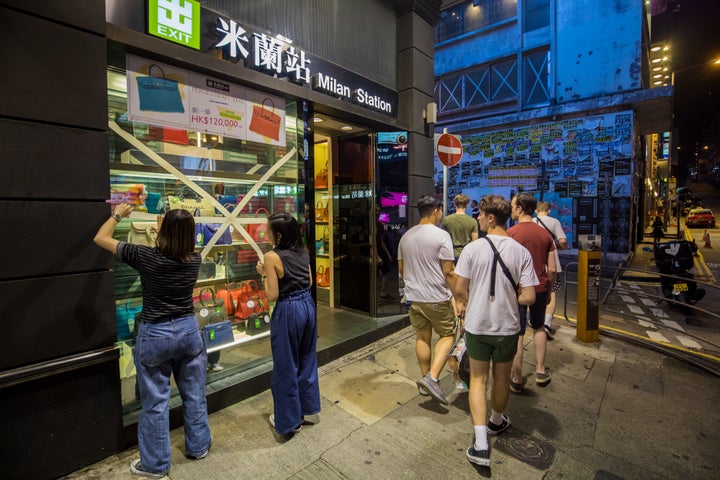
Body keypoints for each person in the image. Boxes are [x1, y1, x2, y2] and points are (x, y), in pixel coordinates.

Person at [94, 204, 211, 479]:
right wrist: (167, 226)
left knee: (155, 403)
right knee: (194, 395)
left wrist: (118, 213)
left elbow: (100, 238)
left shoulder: (144, 256)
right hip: (188, 331)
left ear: (163, 230)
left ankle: (156, 465)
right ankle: (199, 447)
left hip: (155, 333)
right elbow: (175, 245)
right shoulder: (195, 259)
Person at [454, 194, 538, 466]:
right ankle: (496, 421)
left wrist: (466, 302)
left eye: (480, 214)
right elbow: (529, 297)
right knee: (502, 379)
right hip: (508, 327)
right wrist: (507, 298)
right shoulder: (520, 252)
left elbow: (459, 289)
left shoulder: (472, 249)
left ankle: (480, 445)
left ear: (491, 218)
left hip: (478, 325)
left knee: (478, 380)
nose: (477, 218)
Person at [256, 212, 320, 436]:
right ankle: (304, 409)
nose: (265, 233)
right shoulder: (304, 251)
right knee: (306, 360)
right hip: (307, 306)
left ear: (279, 234)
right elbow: (310, 281)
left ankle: (288, 421)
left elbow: (272, 295)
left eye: (268, 230)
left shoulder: (271, 257)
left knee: (285, 366)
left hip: (289, 310)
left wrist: (264, 274)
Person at [397, 195, 458, 405]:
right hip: (436, 297)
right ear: (436, 211)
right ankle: (432, 378)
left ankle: (425, 380)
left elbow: (402, 269)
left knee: (422, 337)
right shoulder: (441, 236)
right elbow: (449, 272)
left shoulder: (406, 236)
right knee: (448, 334)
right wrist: (459, 296)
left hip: (413, 297)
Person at [507, 193, 556, 392]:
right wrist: (549, 287)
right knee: (538, 327)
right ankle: (540, 370)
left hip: (517, 290)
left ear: (519, 209)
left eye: (513, 206)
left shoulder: (510, 233)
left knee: (517, 332)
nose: (511, 209)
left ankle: (517, 378)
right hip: (540, 287)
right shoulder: (545, 234)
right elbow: (552, 269)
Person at [533, 202, 568, 339]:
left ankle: (535, 320)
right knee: (551, 292)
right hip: (551, 261)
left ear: (536, 210)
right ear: (548, 210)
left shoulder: (532, 222)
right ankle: (546, 323)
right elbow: (563, 240)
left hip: (534, 261)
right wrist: (560, 247)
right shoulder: (554, 222)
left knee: (534, 289)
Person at [441, 193, 479, 263]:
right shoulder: (473, 221)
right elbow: (475, 242)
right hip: (466, 255)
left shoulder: (447, 220)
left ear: (455, 204)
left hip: (450, 254)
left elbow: (443, 239)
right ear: (467, 205)